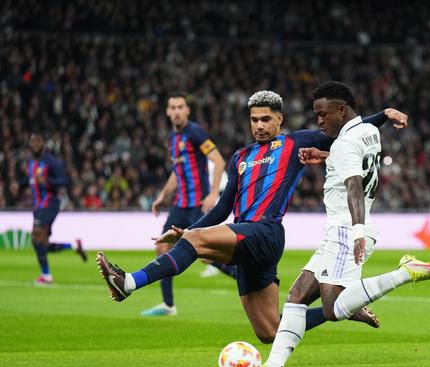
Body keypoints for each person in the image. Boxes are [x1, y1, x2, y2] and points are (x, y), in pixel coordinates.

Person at [97, 90, 402, 342]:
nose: (259, 125)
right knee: (271, 331)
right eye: (254, 119)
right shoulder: (240, 158)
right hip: (245, 238)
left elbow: (348, 130)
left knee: (197, 242)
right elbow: (221, 208)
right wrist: (186, 230)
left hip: (266, 232)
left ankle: (129, 283)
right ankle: (343, 308)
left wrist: (384, 116)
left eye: (266, 119)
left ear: (279, 119)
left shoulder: (295, 142)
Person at [257, 81, 430, 367]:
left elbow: (354, 186)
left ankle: (407, 272)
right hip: (339, 229)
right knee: (296, 297)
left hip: (346, 229)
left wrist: (357, 230)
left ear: (342, 110)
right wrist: (326, 157)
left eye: (323, 114)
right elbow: (354, 159)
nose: (319, 121)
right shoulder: (367, 132)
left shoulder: (344, 143)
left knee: (333, 308)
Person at [142, 93, 233, 316]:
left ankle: (247, 278)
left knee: (205, 255)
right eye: (172, 107)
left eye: (180, 107)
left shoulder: (195, 132)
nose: (176, 111)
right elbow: (178, 172)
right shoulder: (172, 139)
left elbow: (219, 161)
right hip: (180, 204)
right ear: (167, 111)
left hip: (197, 204)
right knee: (162, 247)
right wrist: (163, 195)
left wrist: (213, 193)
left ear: (187, 110)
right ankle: (168, 305)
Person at [23, 131, 87, 285]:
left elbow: (64, 181)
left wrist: (47, 180)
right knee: (41, 243)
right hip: (38, 206)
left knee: (36, 235)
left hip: (50, 203)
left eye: (38, 141)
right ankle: (73, 246)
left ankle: (46, 276)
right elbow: (29, 180)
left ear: (43, 143)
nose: (36, 144)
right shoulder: (31, 161)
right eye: (33, 141)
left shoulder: (51, 161)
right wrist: (18, 185)